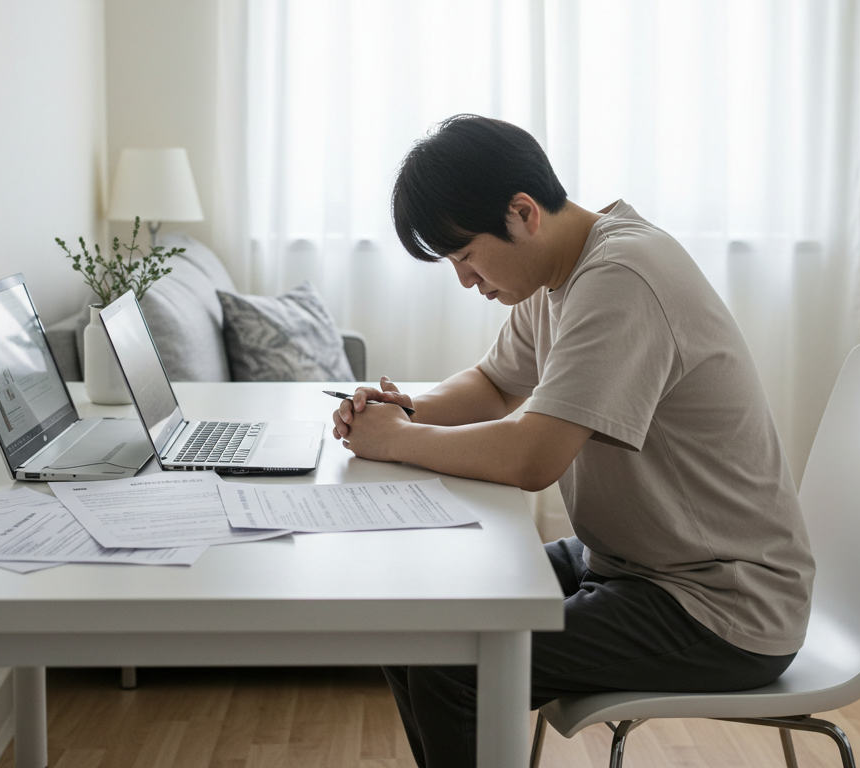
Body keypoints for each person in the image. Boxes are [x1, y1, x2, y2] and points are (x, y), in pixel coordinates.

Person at [331, 114, 815, 768]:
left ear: (523, 213)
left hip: (720, 604)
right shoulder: (555, 271)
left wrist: (395, 443)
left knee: (455, 667)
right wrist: (406, 411)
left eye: (467, 256)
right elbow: (494, 385)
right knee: (417, 623)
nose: (466, 282)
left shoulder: (622, 276)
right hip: (628, 565)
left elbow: (531, 458)